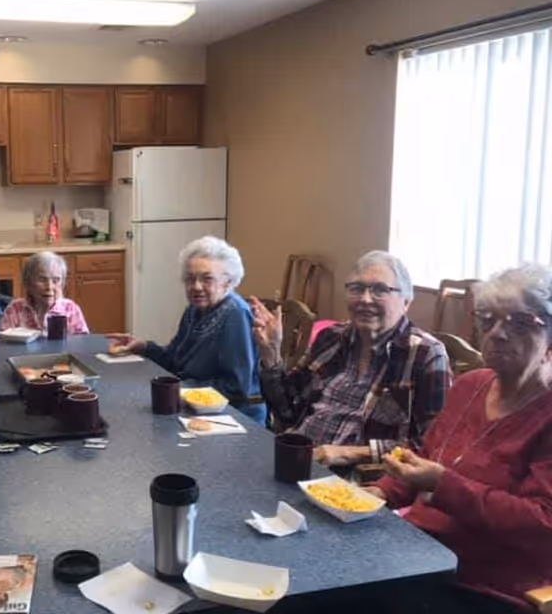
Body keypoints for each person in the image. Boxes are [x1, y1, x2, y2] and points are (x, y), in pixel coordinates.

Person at [364, 265, 552, 613]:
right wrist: (381, 491)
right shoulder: (471, 384)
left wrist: (442, 484)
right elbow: (424, 456)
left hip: (488, 585)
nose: (497, 333)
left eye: (520, 322)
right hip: (419, 556)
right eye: (488, 319)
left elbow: (542, 525)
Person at [251, 251, 451, 466]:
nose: (365, 299)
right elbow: (287, 412)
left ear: (406, 302)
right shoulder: (331, 338)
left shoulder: (425, 355)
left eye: (380, 290)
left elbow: (431, 446)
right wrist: (271, 353)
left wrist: (349, 453)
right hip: (298, 460)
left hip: (357, 484)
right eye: (356, 289)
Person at [109, 236, 266, 424]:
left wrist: (178, 390)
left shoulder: (235, 314)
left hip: (233, 417)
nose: (196, 287)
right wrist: (143, 347)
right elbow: (174, 360)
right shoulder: (194, 310)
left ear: (228, 282)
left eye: (207, 279)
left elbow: (236, 387)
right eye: (190, 279)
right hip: (192, 405)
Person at [0, 251, 89, 334]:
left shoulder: (70, 309)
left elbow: (82, 343)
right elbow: (4, 344)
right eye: (42, 279)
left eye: (56, 280)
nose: (49, 287)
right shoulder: (15, 308)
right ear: (28, 282)